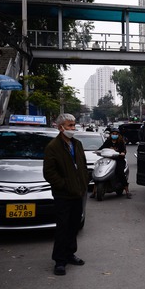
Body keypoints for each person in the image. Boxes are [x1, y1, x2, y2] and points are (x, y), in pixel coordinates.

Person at [43, 113, 89, 276]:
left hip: (78, 193)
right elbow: (49, 172)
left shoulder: (77, 144)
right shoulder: (53, 147)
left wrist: (84, 183)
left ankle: (70, 254)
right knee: (62, 227)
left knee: (74, 226)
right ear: (60, 127)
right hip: (63, 195)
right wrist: (64, 185)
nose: (73, 128)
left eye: (73, 125)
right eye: (69, 126)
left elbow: (81, 165)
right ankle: (60, 261)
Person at [96, 129, 130, 199]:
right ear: (111, 134)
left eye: (116, 134)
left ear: (118, 135)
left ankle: (127, 190)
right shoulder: (108, 142)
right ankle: (94, 191)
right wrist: (97, 151)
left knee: (120, 172)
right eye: (113, 133)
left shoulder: (121, 142)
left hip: (119, 160)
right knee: (98, 169)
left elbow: (123, 151)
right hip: (108, 159)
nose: (114, 135)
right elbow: (101, 148)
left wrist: (122, 153)